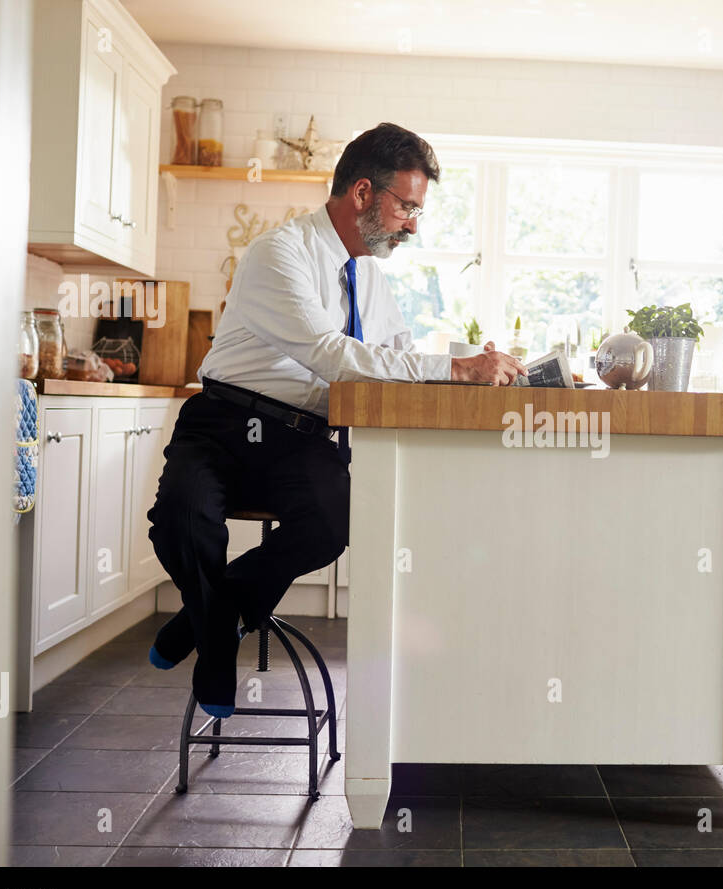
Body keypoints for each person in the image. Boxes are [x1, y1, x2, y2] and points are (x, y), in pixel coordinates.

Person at [146, 122, 527, 717]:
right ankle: (218, 638)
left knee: (332, 521)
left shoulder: (368, 276)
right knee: (180, 522)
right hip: (224, 424)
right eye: (407, 207)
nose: (413, 225)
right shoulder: (281, 252)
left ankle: (204, 623)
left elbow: (393, 353)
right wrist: (455, 369)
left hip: (302, 438)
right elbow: (329, 354)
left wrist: (462, 371)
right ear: (362, 194)